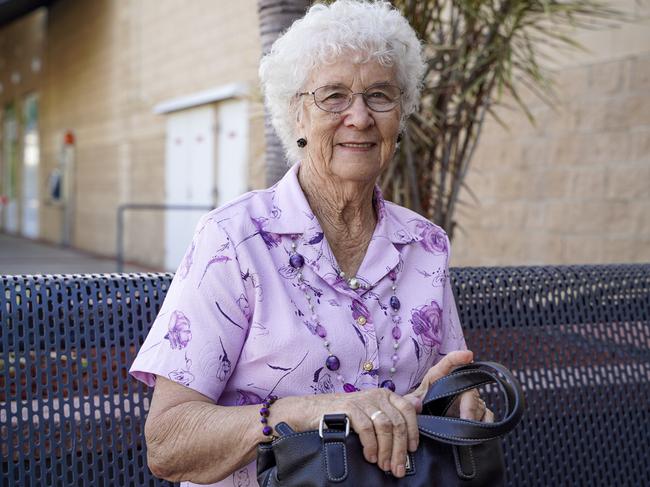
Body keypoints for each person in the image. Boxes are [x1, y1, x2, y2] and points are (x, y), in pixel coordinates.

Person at [130, 1, 493, 486]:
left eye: (380, 95)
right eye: (334, 96)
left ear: (400, 116)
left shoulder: (425, 243)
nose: (359, 117)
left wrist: (455, 403)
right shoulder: (234, 240)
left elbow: (442, 389)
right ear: (296, 115)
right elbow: (169, 443)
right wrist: (308, 412)